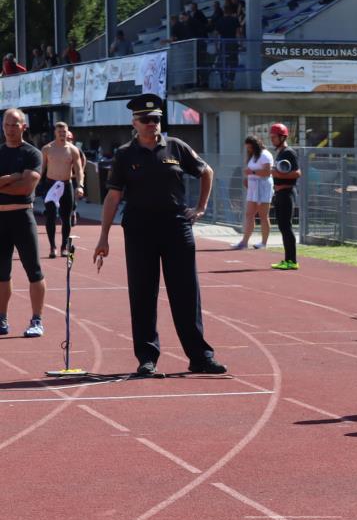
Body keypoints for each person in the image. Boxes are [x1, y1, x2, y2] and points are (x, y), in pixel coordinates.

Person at [93, 94, 224, 376]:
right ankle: (147, 358)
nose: (152, 124)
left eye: (156, 119)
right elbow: (113, 197)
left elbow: (206, 171)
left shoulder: (176, 147)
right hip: (139, 229)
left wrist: (200, 208)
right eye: (146, 120)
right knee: (142, 293)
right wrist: (103, 237)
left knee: (186, 293)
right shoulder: (124, 155)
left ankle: (200, 356)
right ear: (134, 123)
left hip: (176, 227)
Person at [0, 108, 45, 339]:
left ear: (23, 126)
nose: (10, 129)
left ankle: (37, 319)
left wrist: (8, 182)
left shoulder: (32, 154)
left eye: (15, 124)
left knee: (33, 270)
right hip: (0, 219)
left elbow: (26, 188)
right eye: (6, 124)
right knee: (1, 274)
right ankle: (1, 318)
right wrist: (12, 177)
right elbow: (19, 182)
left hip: (22, 217)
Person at [40, 122, 85, 260]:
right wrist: (33, 186)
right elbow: (41, 170)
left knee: (66, 218)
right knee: (51, 216)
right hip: (51, 185)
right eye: (59, 132)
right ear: (55, 132)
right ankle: (52, 246)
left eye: (64, 132)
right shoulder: (47, 149)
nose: (62, 134)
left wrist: (80, 185)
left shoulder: (72, 149)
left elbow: (78, 170)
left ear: (67, 132)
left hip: (66, 185)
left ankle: (64, 247)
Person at [267, 123, 300, 269]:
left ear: (282, 137)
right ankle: (287, 259)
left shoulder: (289, 152)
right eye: (271, 137)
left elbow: (297, 173)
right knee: (282, 226)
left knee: (286, 226)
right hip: (280, 193)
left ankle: (292, 261)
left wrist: (276, 173)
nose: (272, 139)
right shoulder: (280, 153)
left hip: (287, 193)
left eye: (274, 137)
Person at [237, 134, 273, 250]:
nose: (249, 150)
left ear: (256, 145)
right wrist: (247, 178)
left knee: (263, 215)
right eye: (247, 148)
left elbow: (267, 172)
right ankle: (244, 241)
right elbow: (252, 170)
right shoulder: (253, 156)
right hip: (253, 188)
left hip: (263, 187)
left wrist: (252, 173)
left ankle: (264, 242)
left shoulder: (265, 155)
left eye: (250, 148)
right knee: (249, 214)